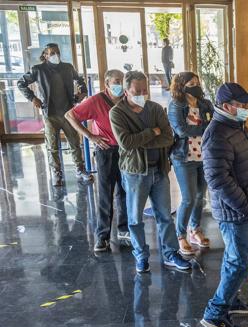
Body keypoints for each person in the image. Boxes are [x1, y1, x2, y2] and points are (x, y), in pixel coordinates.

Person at [200, 83, 248, 327]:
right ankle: (215, 312)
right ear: (226, 106)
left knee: (235, 258)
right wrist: (243, 205)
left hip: (245, 206)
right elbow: (218, 179)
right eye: (241, 105)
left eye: (247, 104)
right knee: (240, 263)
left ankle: (230, 300)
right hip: (236, 211)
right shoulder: (217, 133)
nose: (246, 109)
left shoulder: (236, 126)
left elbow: (241, 160)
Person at [110, 70, 190, 273]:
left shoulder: (155, 109)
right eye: (137, 91)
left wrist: (143, 138)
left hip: (160, 170)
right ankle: (141, 255)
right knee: (135, 218)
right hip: (135, 172)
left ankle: (171, 253)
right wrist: (151, 132)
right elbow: (126, 143)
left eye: (145, 90)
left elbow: (167, 138)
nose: (142, 94)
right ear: (126, 91)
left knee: (164, 216)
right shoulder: (117, 113)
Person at [65, 69, 131, 252]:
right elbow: (70, 115)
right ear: (107, 84)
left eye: (122, 81)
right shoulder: (96, 101)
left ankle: (124, 229)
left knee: (125, 191)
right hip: (106, 151)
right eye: (116, 81)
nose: (120, 84)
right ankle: (102, 235)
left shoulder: (127, 99)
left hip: (126, 151)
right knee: (105, 193)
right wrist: (90, 136)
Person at [17, 43, 93, 186]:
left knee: (75, 143)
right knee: (52, 146)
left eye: (57, 52)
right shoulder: (38, 70)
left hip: (68, 113)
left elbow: (80, 80)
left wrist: (82, 92)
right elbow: (21, 83)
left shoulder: (67, 67)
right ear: (45, 55)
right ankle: (56, 172)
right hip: (50, 114)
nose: (55, 55)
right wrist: (33, 98)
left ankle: (80, 168)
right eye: (52, 53)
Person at [168, 72, 214, 255]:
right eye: (191, 83)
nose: (196, 85)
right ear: (181, 86)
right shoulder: (176, 106)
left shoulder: (205, 104)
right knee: (188, 197)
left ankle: (195, 229)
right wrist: (204, 128)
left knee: (200, 197)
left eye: (197, 82)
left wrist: (203, 129)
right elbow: (181, 131)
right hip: (183, 158)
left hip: (204, 157)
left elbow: (214, 124)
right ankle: (180, 234)